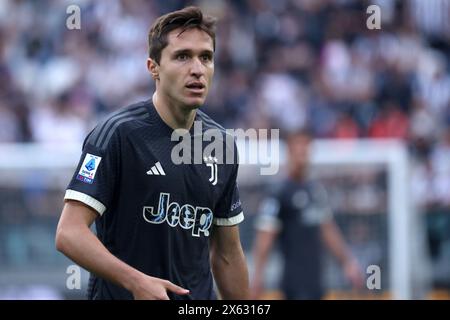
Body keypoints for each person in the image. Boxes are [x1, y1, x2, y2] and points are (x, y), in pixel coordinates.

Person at [55, 6, 249, 300]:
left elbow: (226, 254)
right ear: (153, 68)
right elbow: (69, 233)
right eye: (182, 56)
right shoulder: (118, 134)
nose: (197, 68)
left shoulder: (220, 144)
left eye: (205, 57)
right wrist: (136, 282)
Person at [251, 129, 363, 300]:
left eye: (306, 146)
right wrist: (258, 275)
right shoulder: (279, 192)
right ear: (289, 151)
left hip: (317, 282)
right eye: (298, 145)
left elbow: (327, 229)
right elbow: (265, 237)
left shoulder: (315, 191)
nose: (303, 151)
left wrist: (347, 262)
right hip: (294, 284)